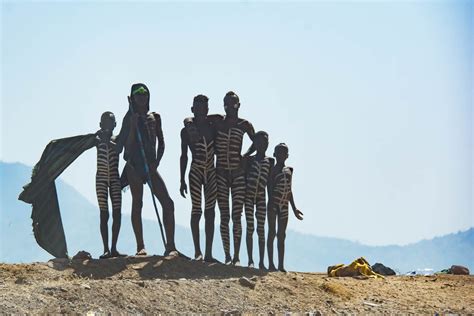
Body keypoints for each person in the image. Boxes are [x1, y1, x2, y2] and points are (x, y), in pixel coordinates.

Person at [116, 83, 177, 256]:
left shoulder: (154, 117)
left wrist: (156, 163)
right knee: (138, 203)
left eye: (144, 93)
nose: (141, 97)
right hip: (134, 166)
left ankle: (171, 246)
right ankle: (140, 246)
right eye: (137, 94)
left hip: (150, 165)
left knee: (168, 203)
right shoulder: (129, 118)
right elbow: (126, 147)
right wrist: (134, 126)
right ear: (133, 97)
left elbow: (162, 143)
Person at [214, 91, 255, 265]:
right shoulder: (217, 121)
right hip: (221, 173)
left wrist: (245, 156)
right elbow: (194, 118)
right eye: (227, 104)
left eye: (234, 104)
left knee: (237, 215)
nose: (231, 107)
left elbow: (257, 141)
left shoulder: (244, 125)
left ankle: (237, 256)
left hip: (238, 174)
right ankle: (227, 255)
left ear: (239, 105)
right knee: (224, 216)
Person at [179, 94, 218, 262]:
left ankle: (208, 253)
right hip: (195, 171)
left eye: (204, 109)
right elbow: (184, 156)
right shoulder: (186, 131)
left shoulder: (213, 127)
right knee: (197, 210)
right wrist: (181, 179)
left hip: (211, 172)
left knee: (210, 212)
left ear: (208, 111)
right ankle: (198, 252)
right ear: (193, 109)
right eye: (198, 109)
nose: (201, 112)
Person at [267, 143, 303, 272]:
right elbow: (269, 188)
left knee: (281, 235)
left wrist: (294, 209)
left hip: (285, 205)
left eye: (284, 153)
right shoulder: (272, 170)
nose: (282, 155)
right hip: (273, 204)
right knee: (272, 233)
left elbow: (289, 190)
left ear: (287, 155)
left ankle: (281, 265)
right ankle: (271, 264)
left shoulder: (290, 170)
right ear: (274, 154)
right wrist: (271, 204)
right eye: (279, 152)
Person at [95, 111, 124, 258]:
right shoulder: (96, 139)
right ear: (100, 124)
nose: (108, 125)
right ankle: (106, 248)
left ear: (115, 125)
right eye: (104, 122)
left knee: (117, 213)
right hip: (100, 178)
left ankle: (114, 248)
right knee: (104, 214)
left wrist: (107, 141)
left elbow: (119, 149)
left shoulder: (117, 139)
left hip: (114, 178)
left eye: (110, 122)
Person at [244, 131, 274, 269]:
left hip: (262, 196)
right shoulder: (249, 160)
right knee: (250, 227)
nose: (263, 145)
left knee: (261, 229)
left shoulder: (270, 161)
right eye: (260, 142)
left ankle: (262, 261)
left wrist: (271, 199)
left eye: (265, 142)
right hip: (248, 196)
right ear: (255, 144)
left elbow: (269, 182)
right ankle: (250, 260)